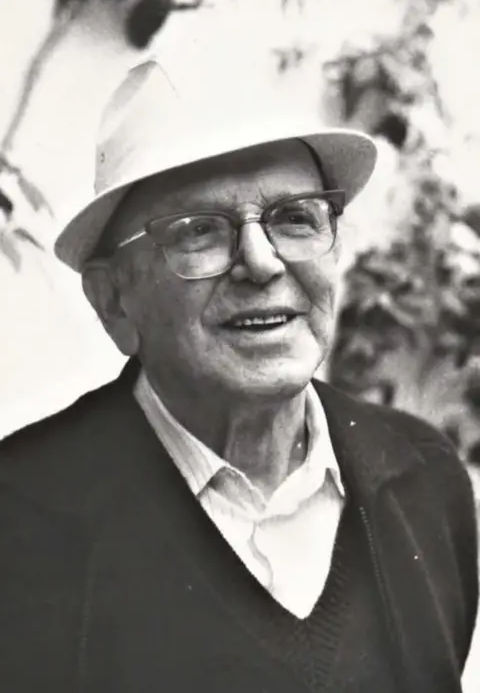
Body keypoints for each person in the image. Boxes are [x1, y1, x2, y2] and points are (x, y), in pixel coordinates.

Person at [0, 61, 477, 693]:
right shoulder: (19, 519)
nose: (261, 261)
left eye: (295, 218)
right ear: (113, 300)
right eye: (198, 231)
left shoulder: (424, 479)